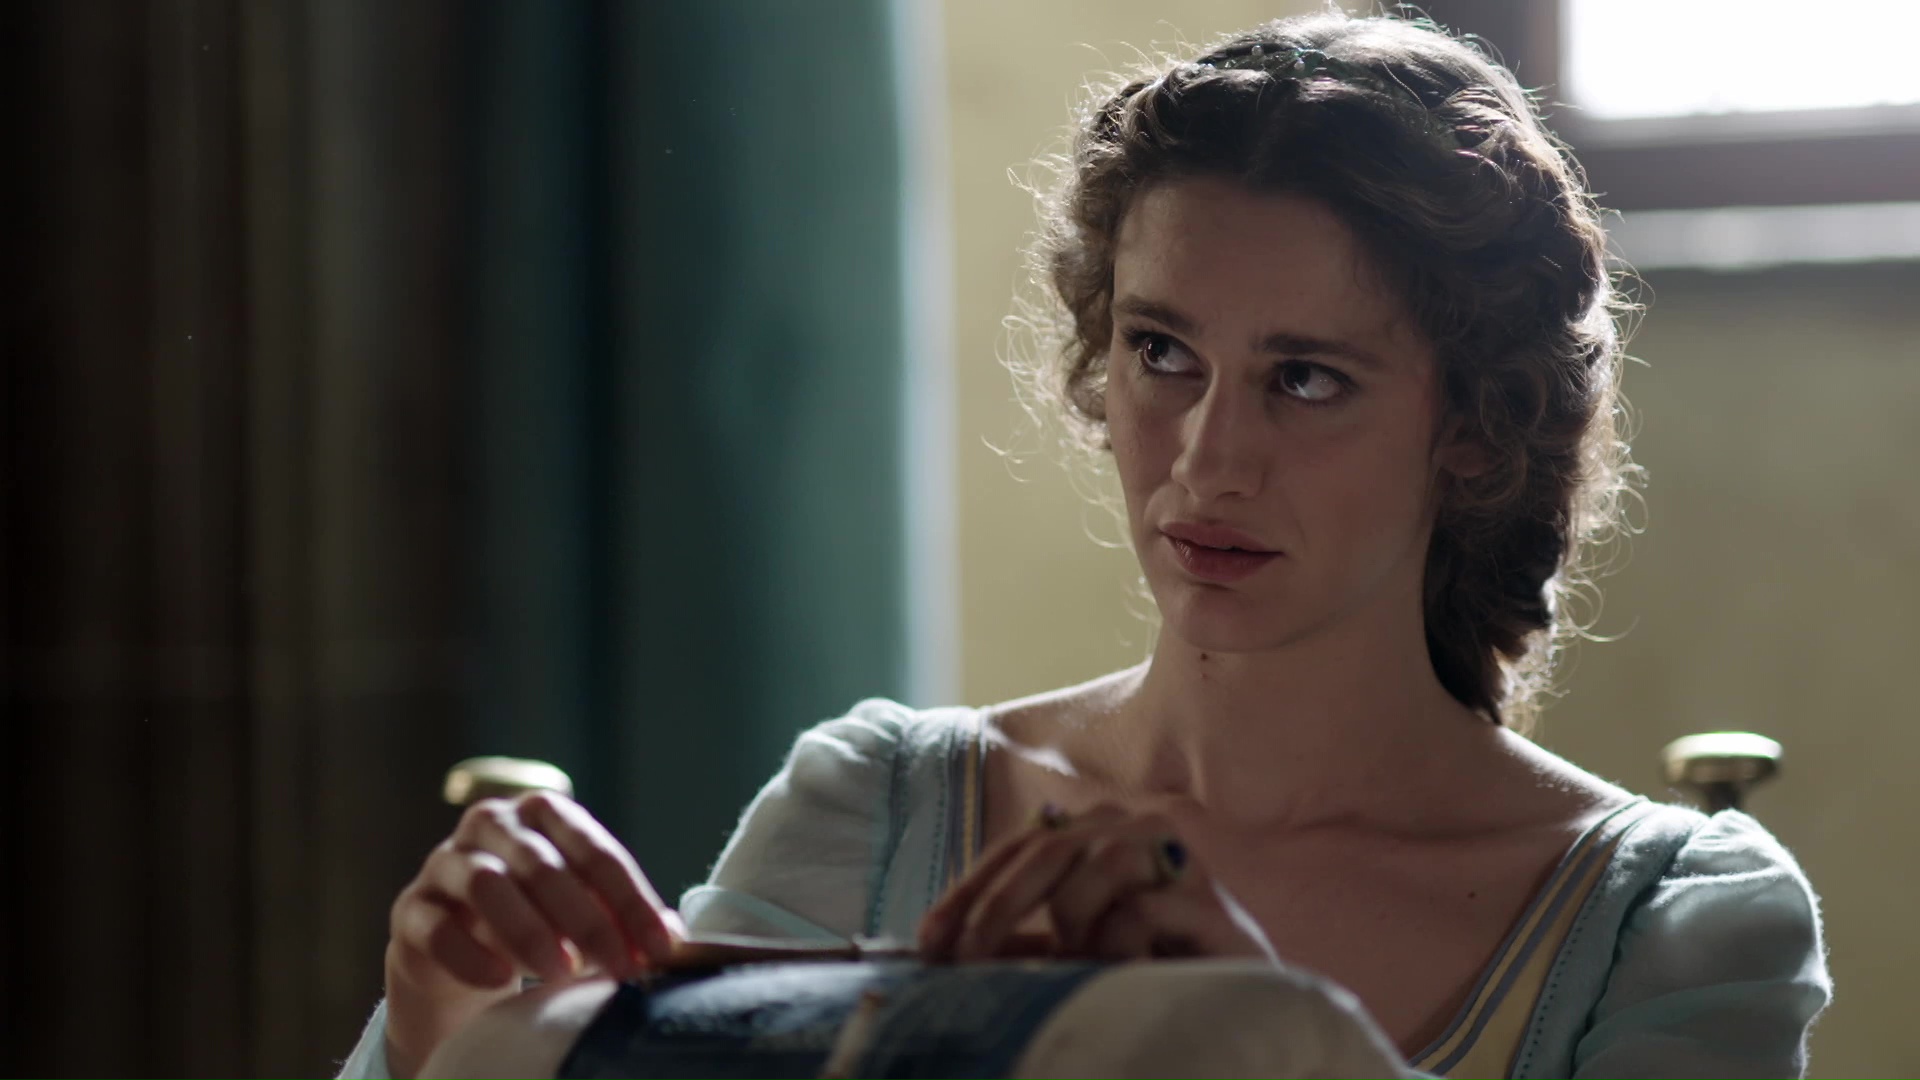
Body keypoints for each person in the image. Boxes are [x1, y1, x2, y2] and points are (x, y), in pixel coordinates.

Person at [335, 12, 1830, 1080]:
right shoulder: (883, 807)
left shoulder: (1672, 923)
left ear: (1479, 430)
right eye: (1161, 352)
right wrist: (442, 1030)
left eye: (1308, 379)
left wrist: (1268, 1037)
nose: (1206, 459)